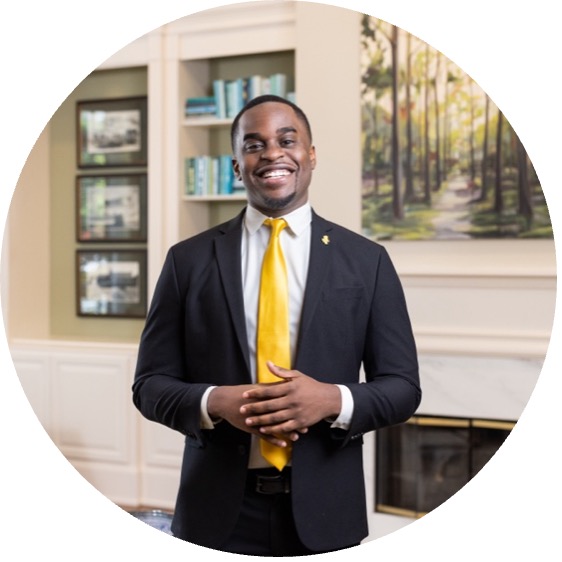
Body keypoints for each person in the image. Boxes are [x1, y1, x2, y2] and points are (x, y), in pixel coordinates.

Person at [132, 94, 421, 556]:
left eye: (288, 140)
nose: (271, 153)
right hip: (214, 511)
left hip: (328, 512)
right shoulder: (186, 261)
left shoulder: (367, 262)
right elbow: (149, 386)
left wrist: (331, 399)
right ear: (235, 166)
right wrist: (215, 402)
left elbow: (404, 388)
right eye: (254, 144)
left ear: (310, 155)